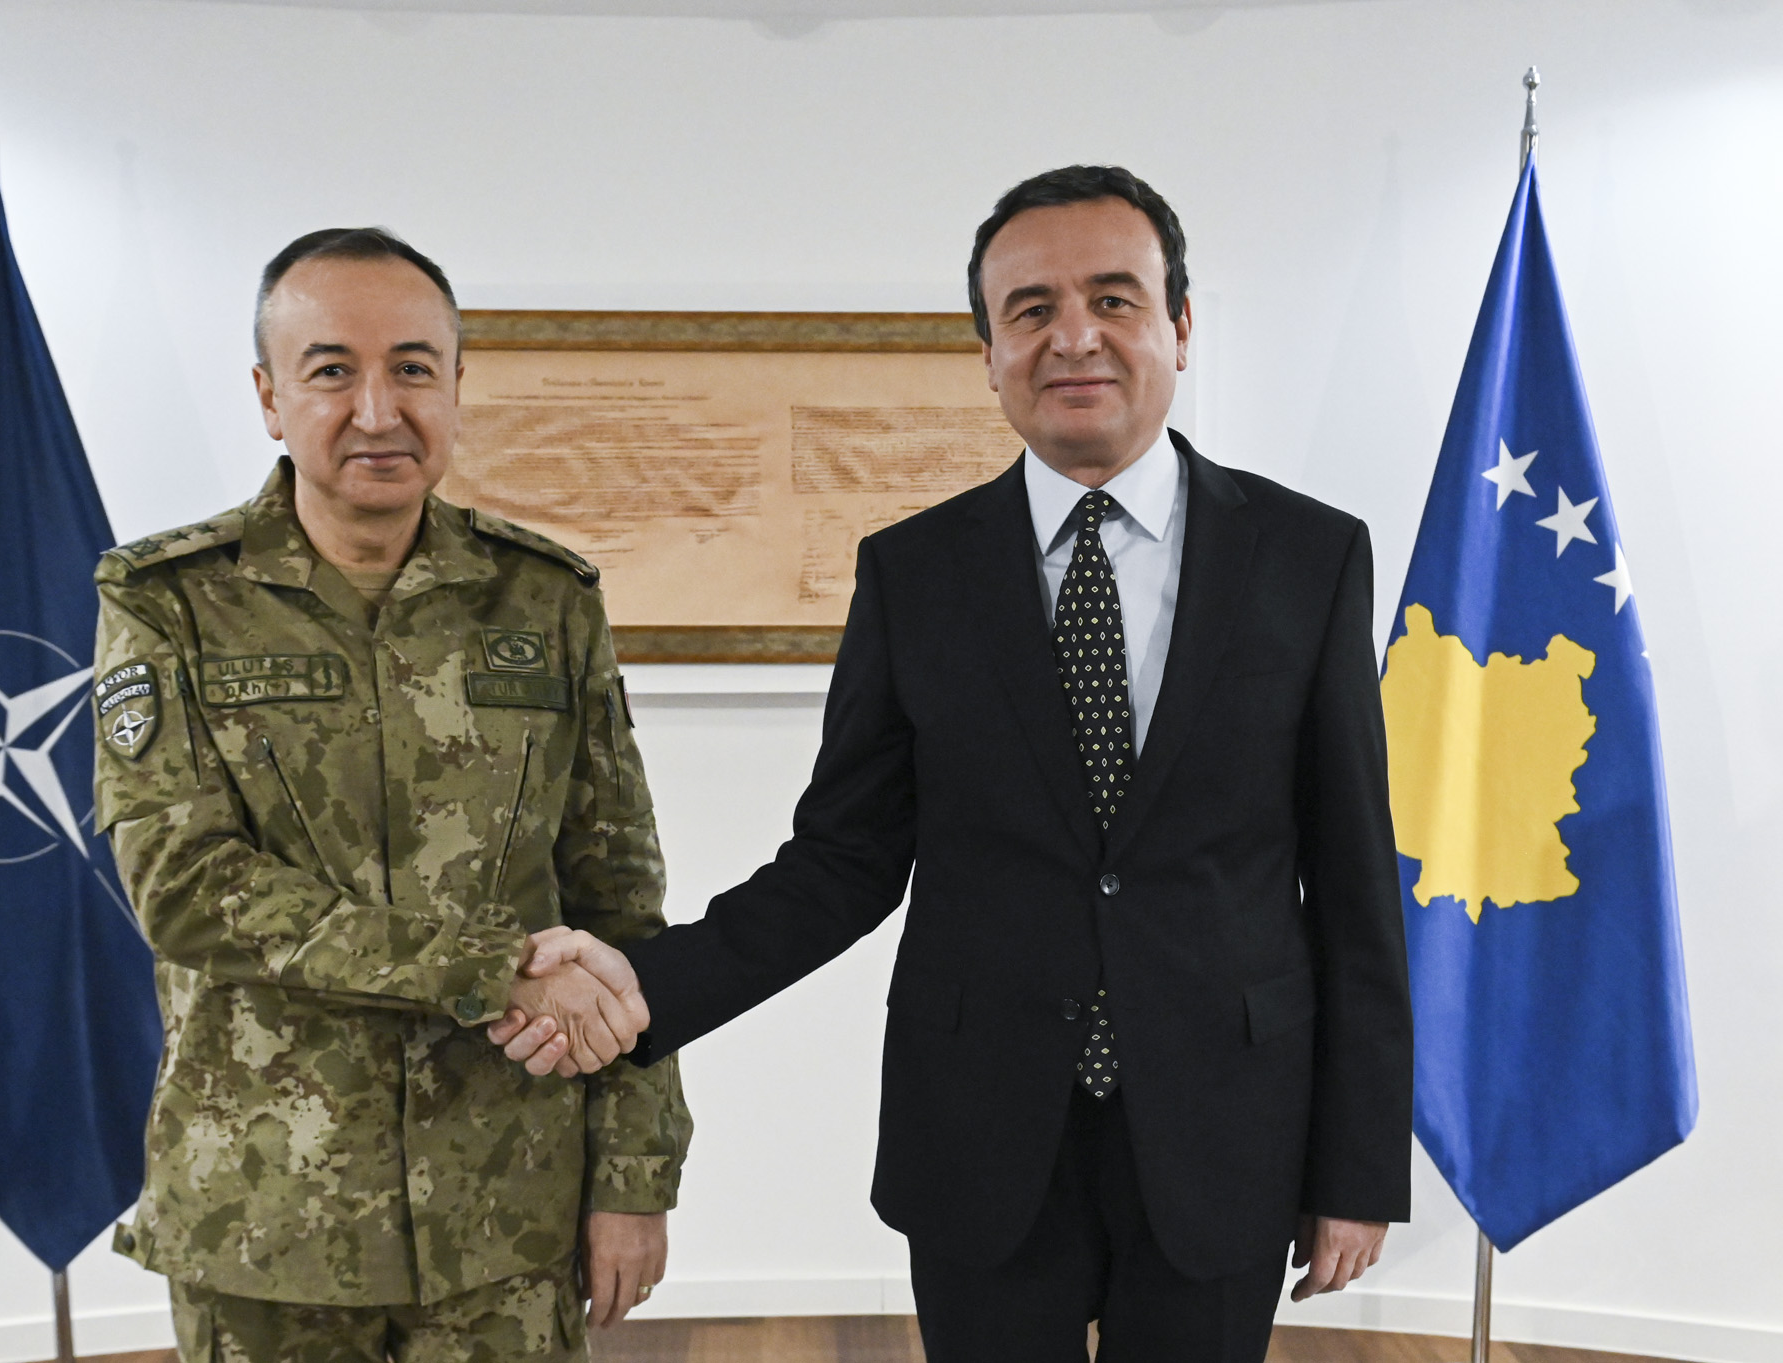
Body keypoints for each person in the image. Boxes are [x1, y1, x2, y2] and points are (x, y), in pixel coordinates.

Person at [490, 166, 1412, 1362]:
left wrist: (1356, 1165)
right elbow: (842, 861)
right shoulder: (913, 573)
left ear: (1179, 325)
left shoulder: (1307, 557)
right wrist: (641, 984)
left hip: (1225, 1128)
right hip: (982, 1134)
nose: (1071, 336)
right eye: (1030, 309)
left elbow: (1352, 883)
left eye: (1112, 298)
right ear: (987, 353)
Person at [91, 226, 689, 1362]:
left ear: (456, 386)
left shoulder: (545, 599)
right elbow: (182, 886)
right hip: (267, 1215)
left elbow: (618, 903)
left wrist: (634, 1169)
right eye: (331, 371)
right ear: (269, 398)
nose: (378, 410)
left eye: (413, 368)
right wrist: (490, 966)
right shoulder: (168, 601)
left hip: (505, 1206)